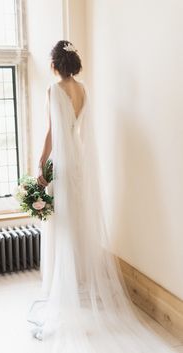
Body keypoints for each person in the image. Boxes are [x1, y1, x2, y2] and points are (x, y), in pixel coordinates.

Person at [26, 40, 175, 353]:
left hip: (63, 169)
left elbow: (52, 132)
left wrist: (41, 161)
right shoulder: (84, 91)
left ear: (55, 65)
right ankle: (78, 280)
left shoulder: (53, 91)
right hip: (78, 164)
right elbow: (78, 133)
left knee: (64, 224)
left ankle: (62, 285)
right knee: (78, 221)